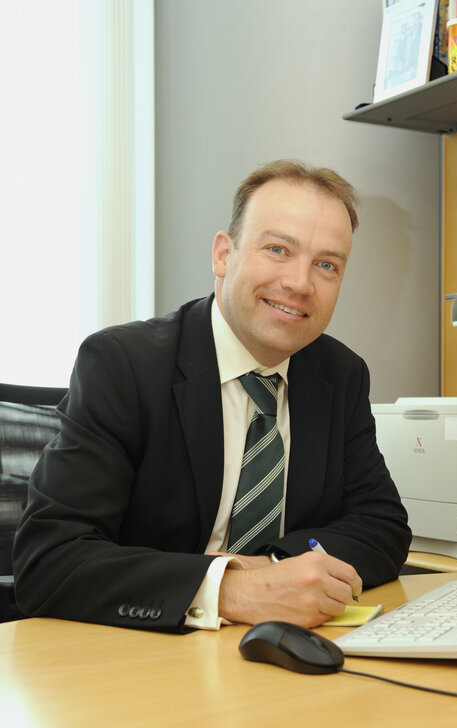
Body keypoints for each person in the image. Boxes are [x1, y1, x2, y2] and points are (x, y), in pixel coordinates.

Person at [13, 159, 411, 634]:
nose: (300, 283)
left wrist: (273, 564)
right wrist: (228, 588)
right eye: (278, 249)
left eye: (327, 265)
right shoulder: (122, 364)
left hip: (276, 653)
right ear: (224, 254)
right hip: (145, 656)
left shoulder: (340, 375)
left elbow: (382, 524)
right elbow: (50, 560)